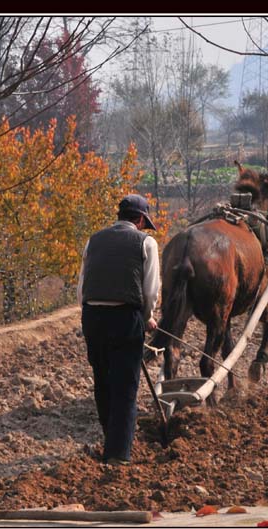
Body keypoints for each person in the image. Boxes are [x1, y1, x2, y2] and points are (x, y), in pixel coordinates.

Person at [77, 194, 160, 466]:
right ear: (139, 219)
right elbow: (150, 290)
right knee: (125, 388)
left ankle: (110, 438)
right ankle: (118, 455)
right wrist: (147, 317)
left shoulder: (94, 239)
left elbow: (82, 287)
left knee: (103, 382)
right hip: (125, 318)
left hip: (92, 317)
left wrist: (91, 312)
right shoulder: (146, 242)